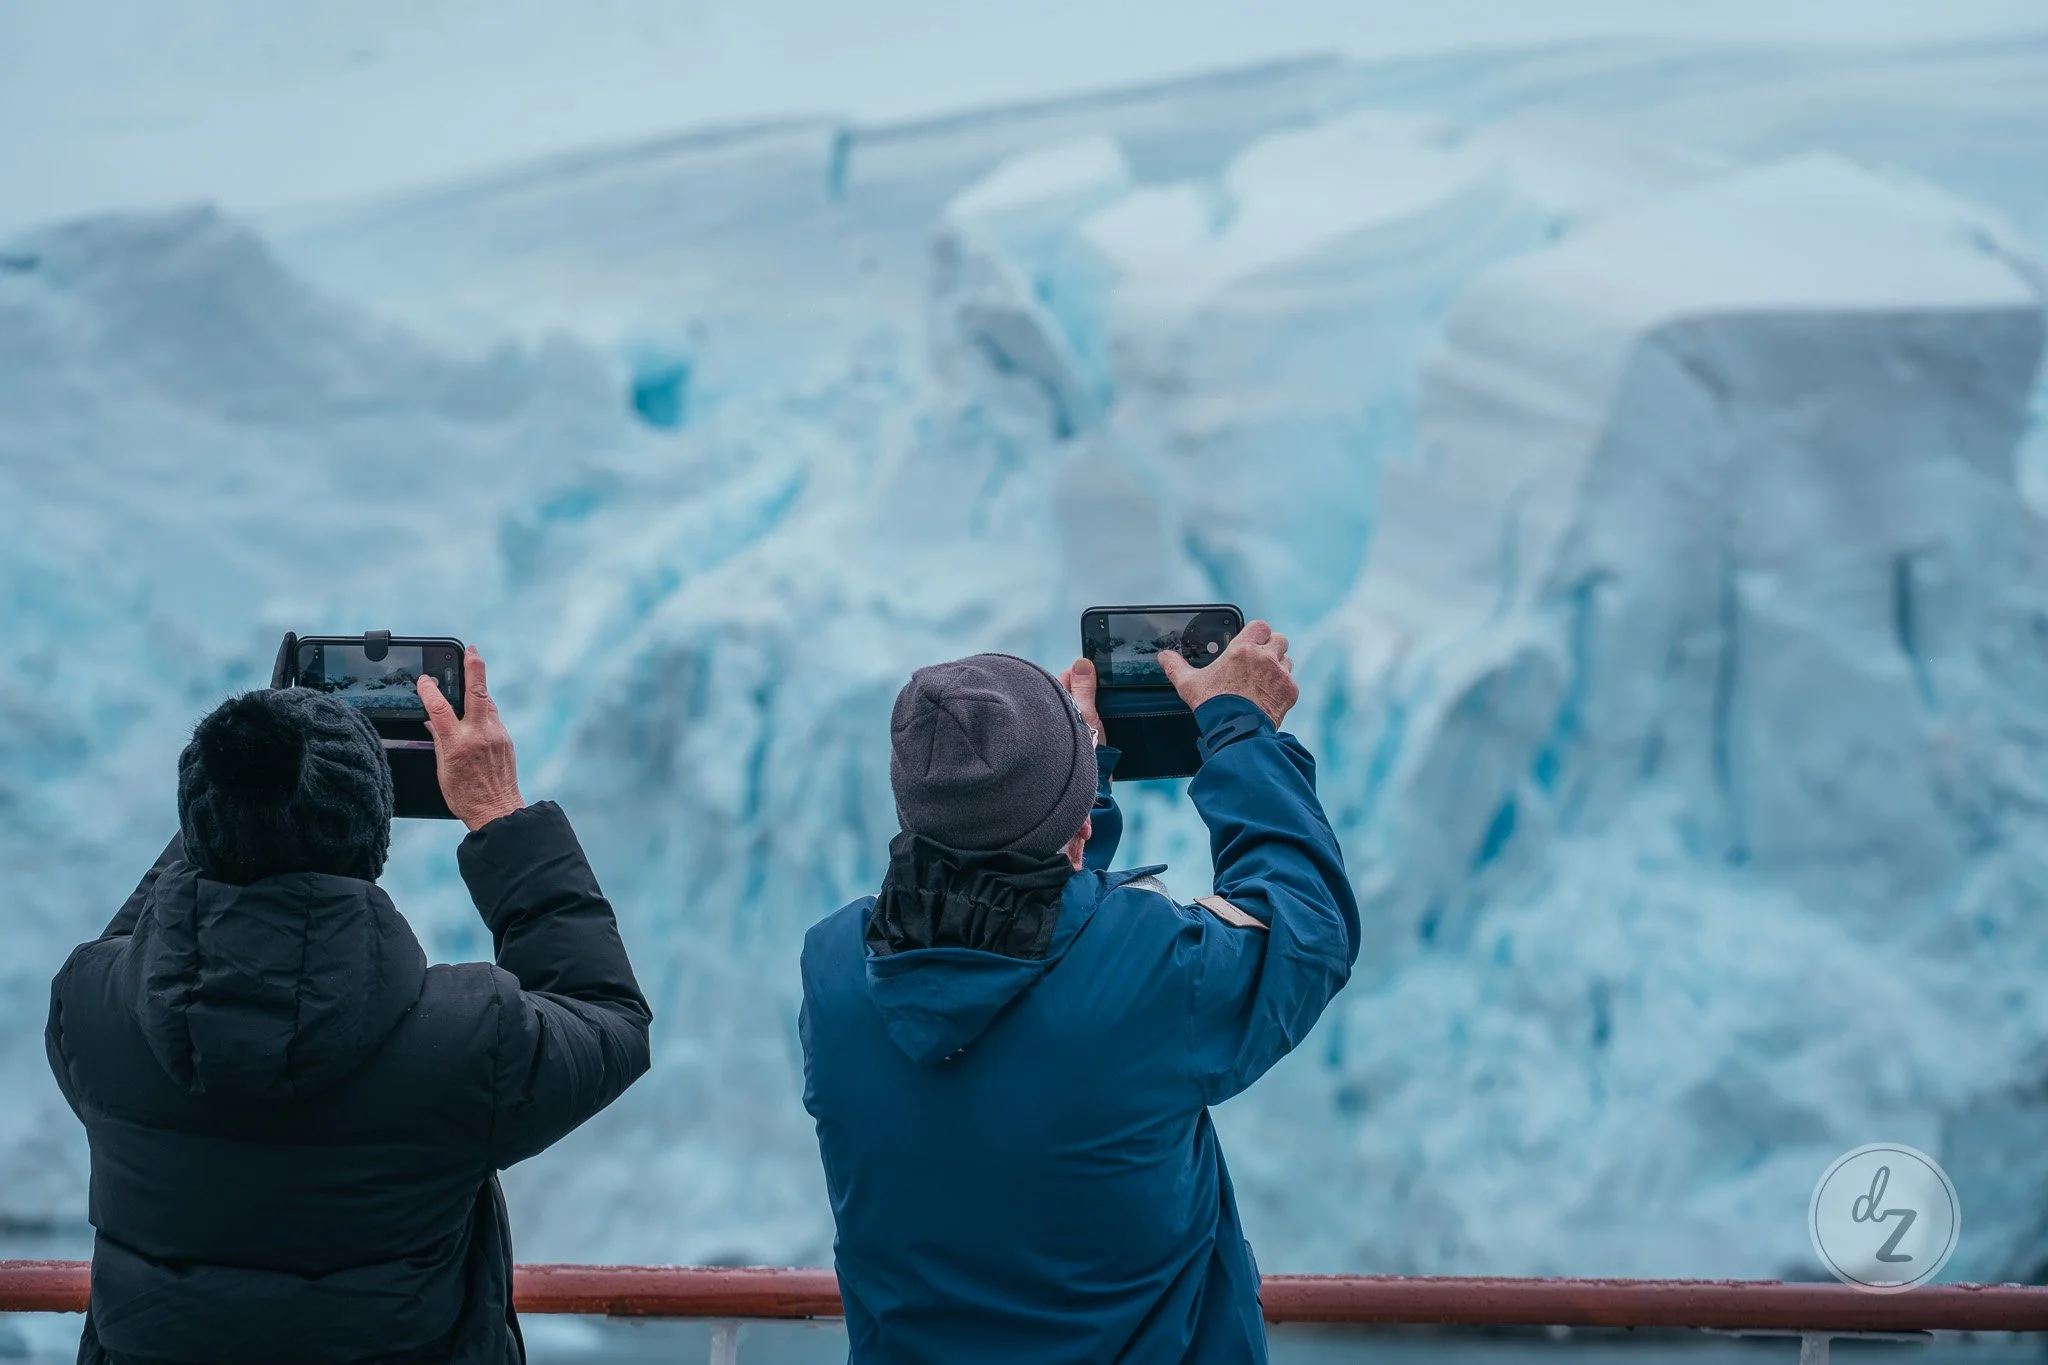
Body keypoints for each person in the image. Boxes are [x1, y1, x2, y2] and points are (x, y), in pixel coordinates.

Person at [45, 647, 651, 1365]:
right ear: (372, 831)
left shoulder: (91, 1010)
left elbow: (143, 945)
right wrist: (498, 814)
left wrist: (247, 783)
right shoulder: (465, 1041)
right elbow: (606, 1014)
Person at [800, 622, 1359, 1363]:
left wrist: (1054, 791)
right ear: (1077, 830)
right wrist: (1241, 730)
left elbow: (1038, 955)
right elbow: (1303, 925)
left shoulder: (834, 969)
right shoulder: (1160, 973)